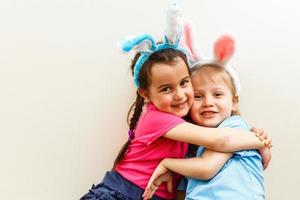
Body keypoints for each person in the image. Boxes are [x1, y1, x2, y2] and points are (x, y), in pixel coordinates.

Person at [80, 4, 271, 200]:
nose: (179, 95)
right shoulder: (156, 118)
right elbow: (221, 141)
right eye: (166, 89)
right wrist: (259, 140)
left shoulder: (193, 121)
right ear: (145, 93)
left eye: (184, 83)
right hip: (122, 193)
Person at [142, 23, 269, 200]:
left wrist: (167, 164)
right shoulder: (192, 148)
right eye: (198, 96)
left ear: (234, 102)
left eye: (217, 94)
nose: (208, 103)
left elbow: (206, 168)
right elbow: (182, 191)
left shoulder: (234, 127)